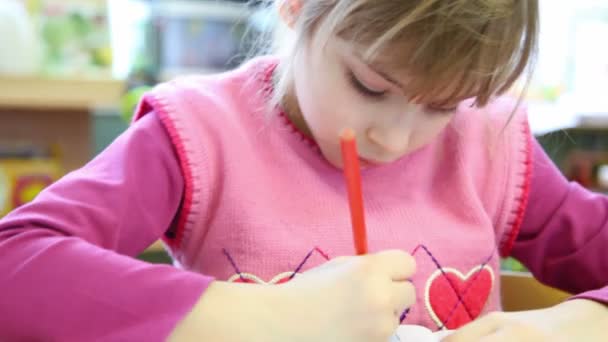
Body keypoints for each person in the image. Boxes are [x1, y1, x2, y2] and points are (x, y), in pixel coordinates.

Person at [1, 0, 607, 341]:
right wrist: (263, 318)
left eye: (443, 105)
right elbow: (14, 267)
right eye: (369, 86)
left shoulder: (490, 145)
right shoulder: (198, 136)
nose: (394, 139)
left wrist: (579, 325)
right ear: (297, 7)